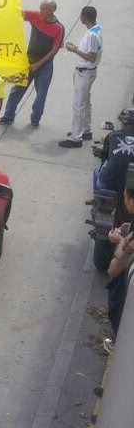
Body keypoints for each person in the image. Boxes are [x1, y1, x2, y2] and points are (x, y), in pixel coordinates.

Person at [0, 0, 64, 128]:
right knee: (17, 89)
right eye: (40, 8)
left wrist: (38, 64)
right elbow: (18, 13)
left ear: (52, 11)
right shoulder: (36, 16)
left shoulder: (58, 28)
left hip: (45, 65)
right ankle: (8, 116)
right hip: (28, 61)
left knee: (41, 94)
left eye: (44, 9)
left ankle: (35, 119)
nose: (41, 11)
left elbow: (54, 50)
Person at [61, 6, 102, 148]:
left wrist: (74, 49)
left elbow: (91, 57)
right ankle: (86, 130)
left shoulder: (92, 35)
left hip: (85, 72)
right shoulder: (96, 30)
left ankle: (75, 138)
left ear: (84, 18)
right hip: (87, 73)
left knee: (78, 105)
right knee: (86, 101)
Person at [105, 188, 134, 340]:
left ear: (132, 200)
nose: (124, 200)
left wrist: (119, 239)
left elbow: (115, 269)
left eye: (125, 197)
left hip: (123, 295)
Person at [96, 109, 134, 193]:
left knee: (96, 172)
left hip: (109, 181)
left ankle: (97, 199)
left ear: (124, 123)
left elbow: (104, 156)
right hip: (131, 186)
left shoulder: (113, 135)